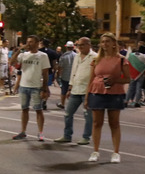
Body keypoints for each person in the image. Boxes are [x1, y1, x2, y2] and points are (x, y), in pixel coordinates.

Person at [87, 32, 131, 163]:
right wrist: (86, 96)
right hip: (97, 91)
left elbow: (128, 79)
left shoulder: (121, 59)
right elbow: (90, 79)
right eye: (103, 42)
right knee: (96, 123)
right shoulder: (96, 59)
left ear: (113, 44)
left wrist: (116, 80)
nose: (105, 44)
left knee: (114, 123)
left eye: (107, 41)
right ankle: (95, 151)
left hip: (115, 93)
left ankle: (116, 152)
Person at [54, 37, 95, 145]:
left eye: (82, 45)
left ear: (89, 45)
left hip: (88, 91)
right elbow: (74, 72)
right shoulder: (76, 56)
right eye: (78, 45)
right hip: (76, 89)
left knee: (88, 116)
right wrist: (70, 88)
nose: (80, 47)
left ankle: (86, 137)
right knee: (68, 113)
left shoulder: (94, 57)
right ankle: (67, 135)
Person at [10, 35, 51, 141]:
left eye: (31, 42)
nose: (29, 44)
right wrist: (19, 49)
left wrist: (45, 88)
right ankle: (23, 131)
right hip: (24, 86)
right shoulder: (24, 55)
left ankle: (40, 132)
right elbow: (12, 62)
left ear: (37, 43)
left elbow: (45, 73)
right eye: (28, 42)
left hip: (36, 86)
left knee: (38, 110)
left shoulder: (43, 56)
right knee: (24, 109)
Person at [57, 41, 76, 108]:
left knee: (64, 90)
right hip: (74, 76)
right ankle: (71, 105)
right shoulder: (76, 55)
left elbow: (60, 66)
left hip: (65, 75)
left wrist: (58, 74)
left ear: (66, 47)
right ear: (73, 47)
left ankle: (62, 103)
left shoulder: (64, 56)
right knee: (72, 91)